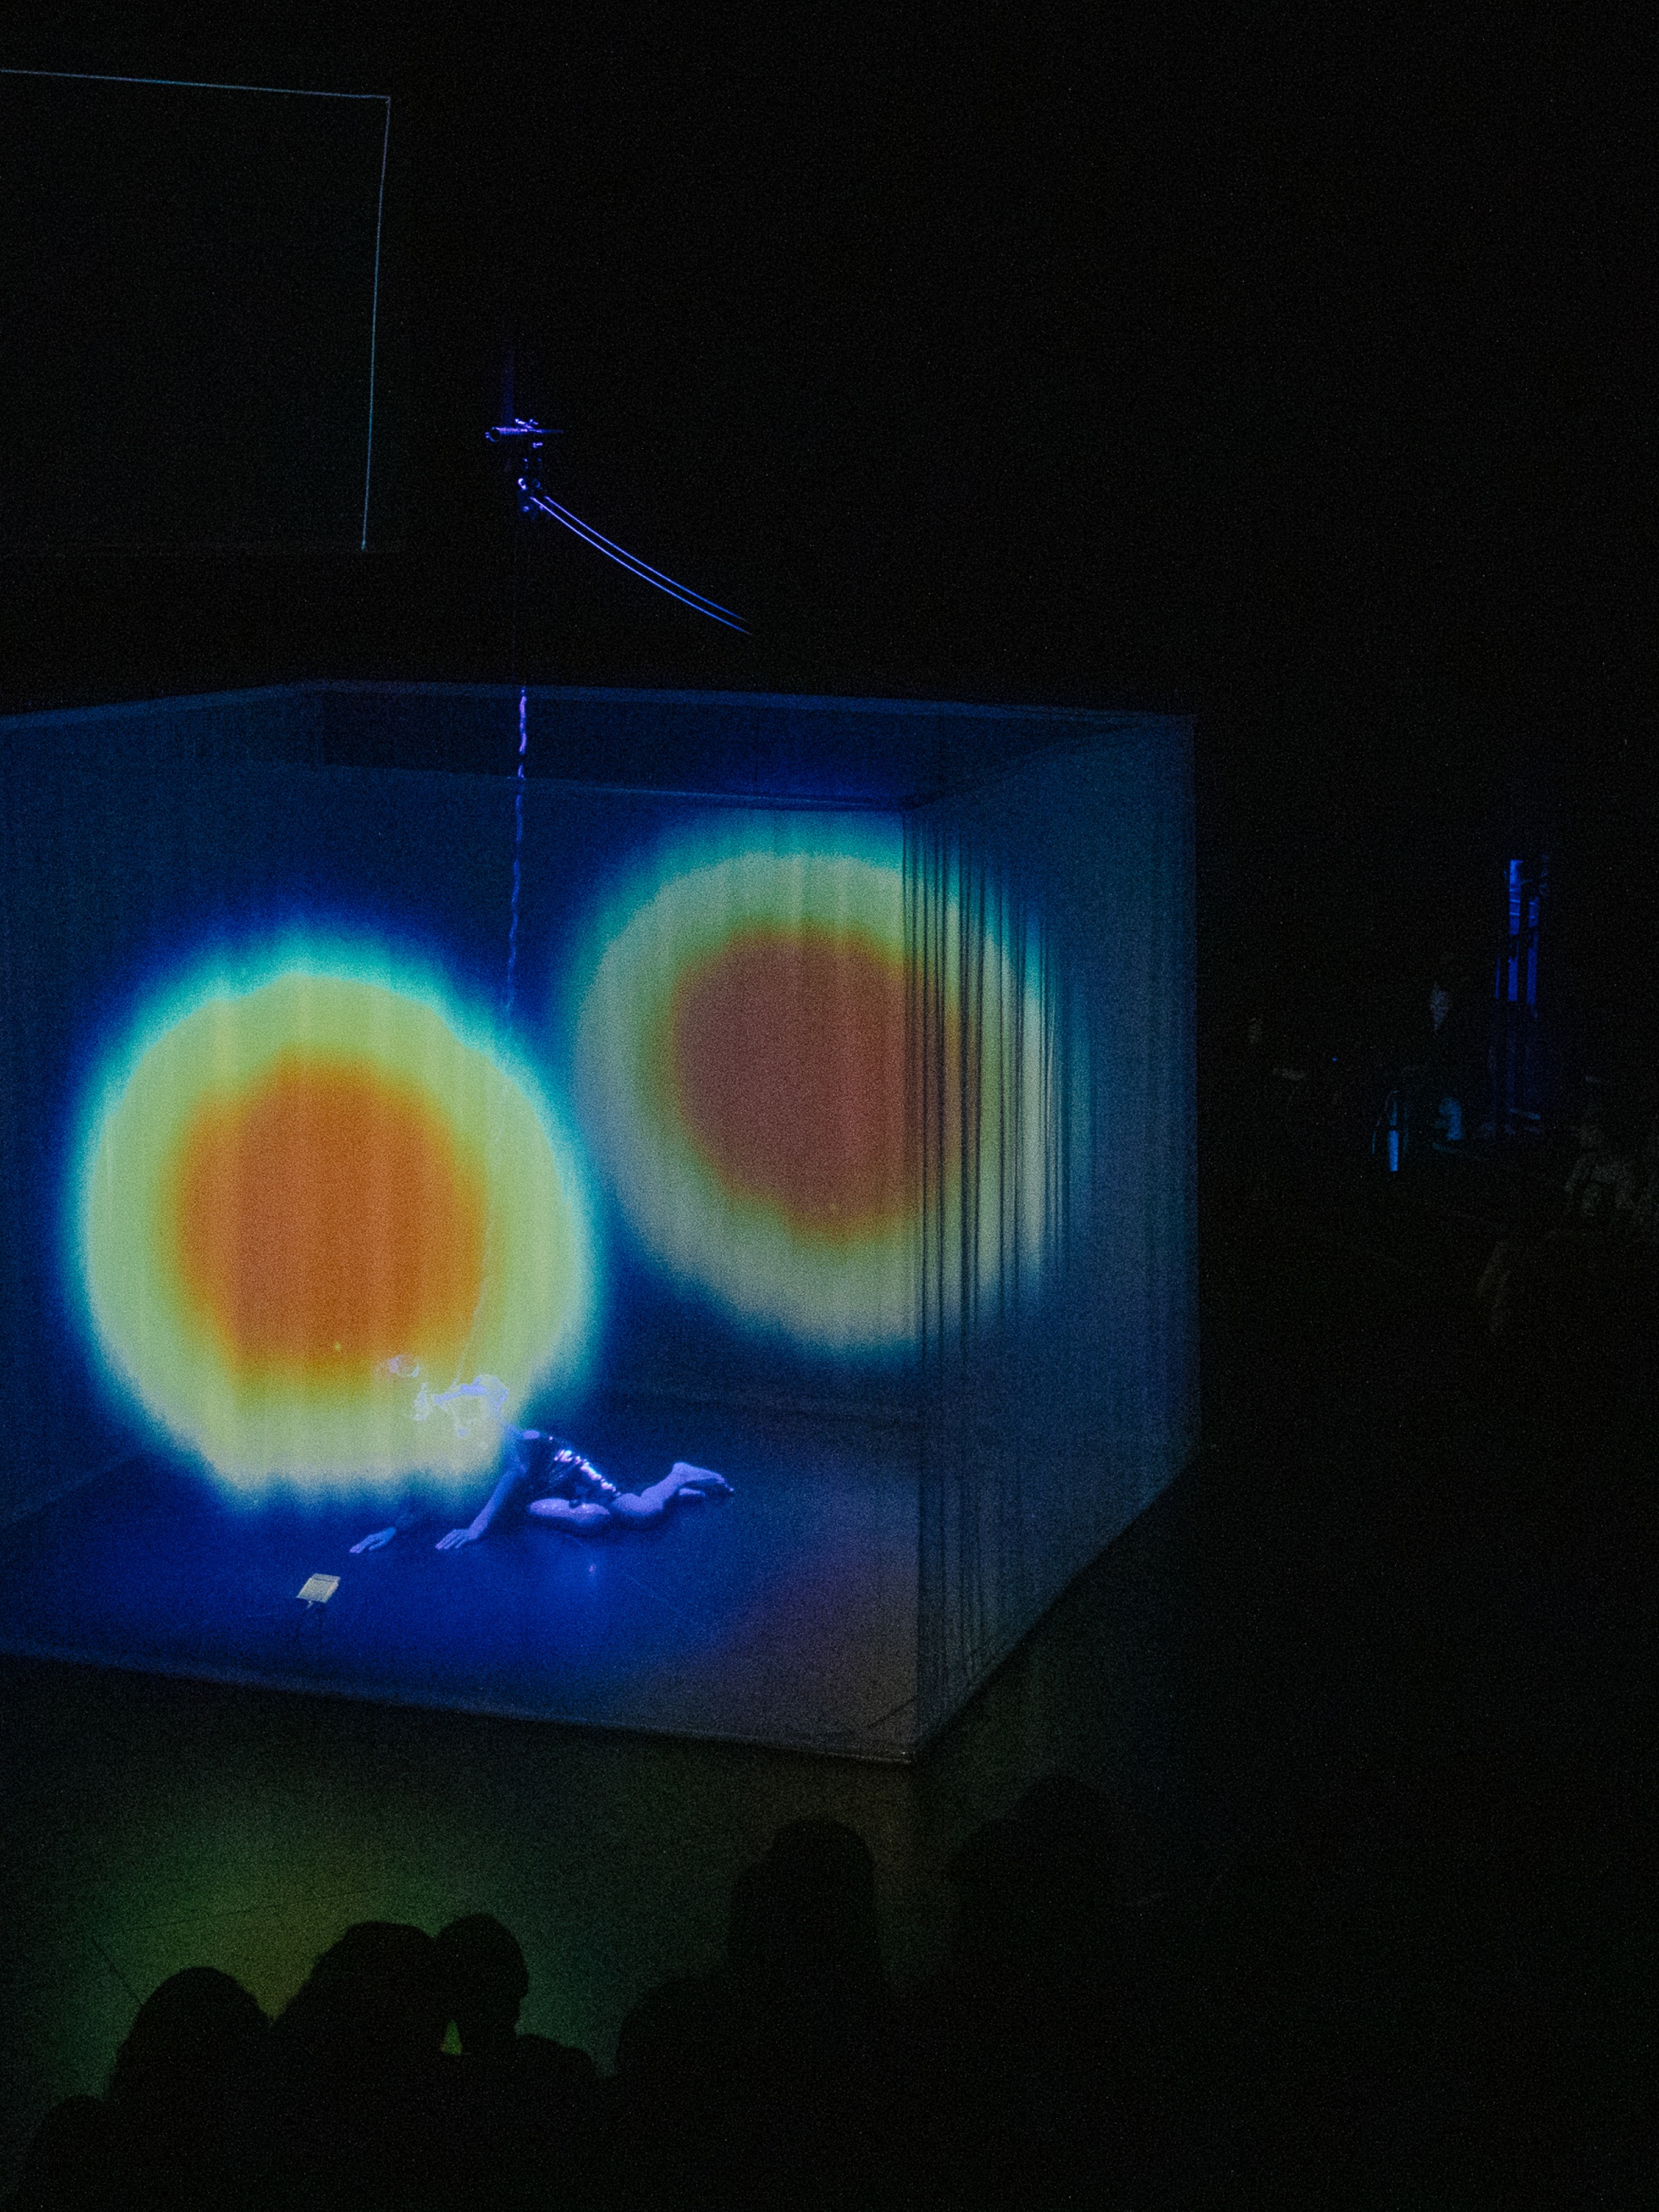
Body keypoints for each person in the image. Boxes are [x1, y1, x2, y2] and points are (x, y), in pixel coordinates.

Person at [350, 1374, 731, 1553]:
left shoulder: (463, 1402)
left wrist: (477, 1526)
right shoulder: (420, 1429)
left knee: (640, 1514)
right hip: (525, 1493)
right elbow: (427, 1487)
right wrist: (393, 1530)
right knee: (594, 1522)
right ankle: (665, 1498)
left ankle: (677, 1476)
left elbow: (513, 1466)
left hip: (552, 1463)